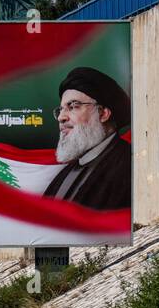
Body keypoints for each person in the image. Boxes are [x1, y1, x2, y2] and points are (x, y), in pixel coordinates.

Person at [41, 66, 132, 210]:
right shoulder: (68, 170)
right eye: (61, 109)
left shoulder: (130, 165)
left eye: (73, 106)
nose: (61, 117)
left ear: (103, 114)